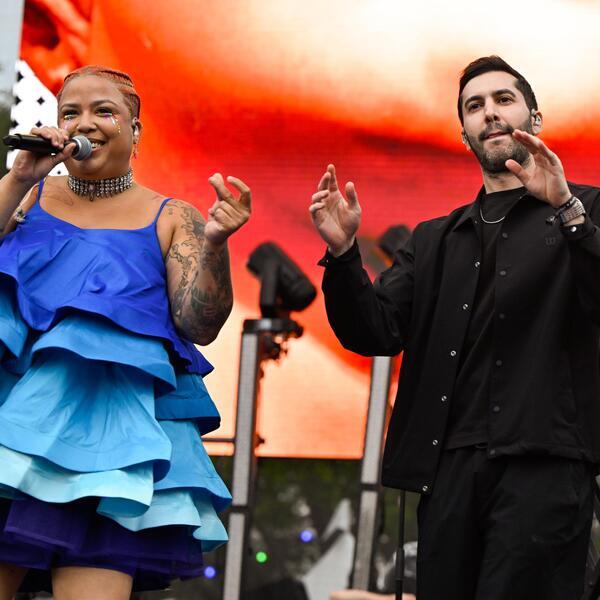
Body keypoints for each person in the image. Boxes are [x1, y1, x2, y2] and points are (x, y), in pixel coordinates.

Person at [310, 55, 599, 600]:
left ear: (535, 118)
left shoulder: (586, 208)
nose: (489, 112)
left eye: (503, 99)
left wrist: (567, 210)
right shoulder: (434, 240)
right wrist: (344, 255)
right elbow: (374, 332)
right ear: (464, 131)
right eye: (474, 106)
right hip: (448, 468)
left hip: (544, 461)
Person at [0, 66, 250, 599]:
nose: (84, 122)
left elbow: (199, 325)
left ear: (135, 130)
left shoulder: (172, 217)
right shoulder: (29, 195)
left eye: (104, 111)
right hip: (11, 433)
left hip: (110, 455)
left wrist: (215, 246)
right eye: (71, 112)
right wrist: (20, 176)